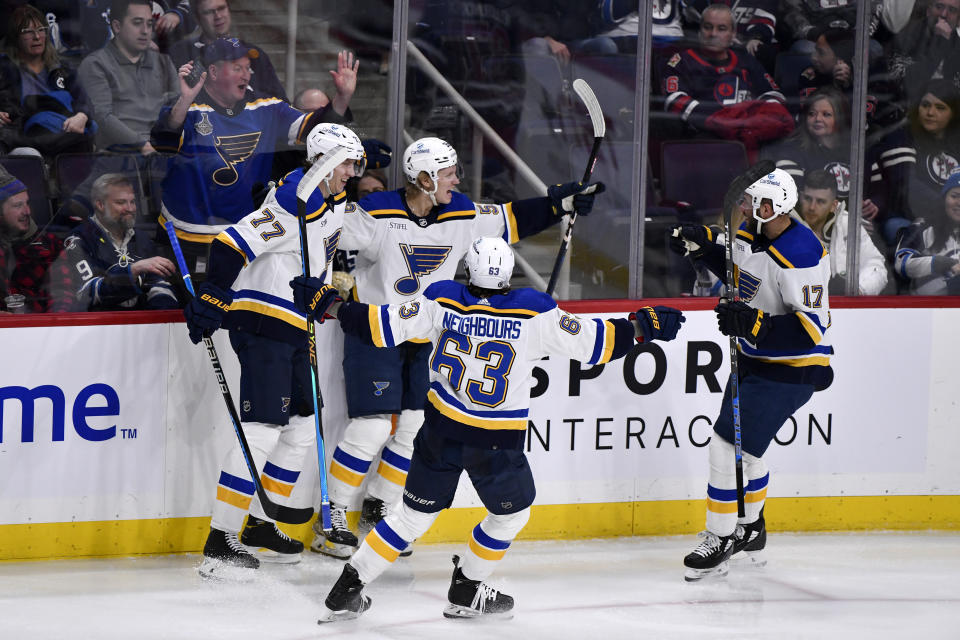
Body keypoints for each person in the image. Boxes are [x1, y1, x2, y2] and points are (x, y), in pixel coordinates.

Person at [309, 236, 686, 621]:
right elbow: (598, 344)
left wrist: (331, 304)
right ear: (508, 274)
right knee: (511, 515)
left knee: (410, 517)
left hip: (439, 432)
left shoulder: (440, 297)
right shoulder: (535, 311)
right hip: (494, 442)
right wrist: (643, 326)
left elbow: (378, 327)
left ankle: (347, 589)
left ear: (469, 270)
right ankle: (467, 589)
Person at [308, 137, 606, 560]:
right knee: (373, 427)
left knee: (412, 427)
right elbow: (321, 229)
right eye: (447, 174)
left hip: (430, 336)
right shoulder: (377, 213)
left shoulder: (463, 213)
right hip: (379, 330)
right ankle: (332, 513)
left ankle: (378, 509)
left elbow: (509, 219)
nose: (456, 180)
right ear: (425, 179)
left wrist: (557, 206)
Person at [182, 122, 367, 578]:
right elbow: (230, 243)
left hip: (294, 327)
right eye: (346, 163)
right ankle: (219, 539)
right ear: (323, 162)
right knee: (263, 430)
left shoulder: (328, 197)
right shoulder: (290, 202)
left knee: (303, 426)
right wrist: (213, 295)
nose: (352, 172)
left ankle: (262, 525)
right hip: (263, 321)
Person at [668, 168, 833, 581]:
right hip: (754, 360)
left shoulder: (802, 252)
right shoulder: (750, 234)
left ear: (773, 208)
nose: (743, 207)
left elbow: (810, 330)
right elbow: (742, 275)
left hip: (793, 368)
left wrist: (754, 325)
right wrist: (703, 249)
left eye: (752, 202)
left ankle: (720, 536)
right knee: (748, 451)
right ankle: (752, 529)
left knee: (724, 447)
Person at [151, 37, 347, 280]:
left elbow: (312, 131)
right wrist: (185, 99)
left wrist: (341, 98)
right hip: (187, 233)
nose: (246, 75)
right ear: (213, 71)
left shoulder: (266, 107)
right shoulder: (189, 106)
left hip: (241, 234)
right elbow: (163, 143)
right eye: (237, 68)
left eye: (247, 68)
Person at [762, 86, 915, 247]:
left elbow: (878, 191)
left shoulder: (858, 152)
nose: (817, 119)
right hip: (811, 229)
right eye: (812, 114)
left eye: (826, 114)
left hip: (857, 231)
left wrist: (874, 205)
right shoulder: (792, 151)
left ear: (841, 118)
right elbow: (792, 200)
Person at [660, 3, 793, 155]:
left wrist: (753, 121)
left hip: (751, 134)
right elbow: (673, 101)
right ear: (699, 31)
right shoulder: (682, 62)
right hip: (707, 139)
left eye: (721, 29)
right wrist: (719, 121)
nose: (713, 34)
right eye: (707, 27)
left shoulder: (747, 61)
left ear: (733, 34)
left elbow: (774, 96)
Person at [51, 173, 179, 311]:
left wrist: (158, 318)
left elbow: (159, 285)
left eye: (132, 201)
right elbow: (86, 293)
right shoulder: (80, 239)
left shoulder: (142, 239)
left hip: (141, 326)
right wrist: (132, 271)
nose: (130, 209)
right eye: (121, 202)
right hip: (101, 327)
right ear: (100, 204)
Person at [76, 0, 179, 155]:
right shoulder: (95, 64)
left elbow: (176, 105)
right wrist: (143, 145)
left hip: (165, 148)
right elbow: (104, 117)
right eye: (137, 23)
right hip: (119, 156)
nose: (145, 31)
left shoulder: (163, 61)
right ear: (117, 27)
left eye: (149, 24)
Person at [0, 4, 96, 157]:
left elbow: (85, 101)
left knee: (84, 142)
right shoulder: (4, 69)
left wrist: (81, 116)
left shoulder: (63, 68)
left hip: (66, 134)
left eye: (41, 30)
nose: (37, 37)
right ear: (15, 37)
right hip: (21, 137)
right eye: (28, 32)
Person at [169, 0, 288, 100]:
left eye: (221, 8)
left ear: (229, 10)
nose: (218, 16)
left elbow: (280, 101)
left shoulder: (254, 54)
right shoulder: (181, 52)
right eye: (209, 12)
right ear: (197, 19)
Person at [795, 169, 889, 295]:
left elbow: (876, 267)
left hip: (843, 308)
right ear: (800, 197)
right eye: (807, 198)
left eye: (820, 201)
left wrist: (858, 290)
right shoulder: (782, 226)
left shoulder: (848, 224)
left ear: (834, 205)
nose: (812, 207)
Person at [0, 169, 65, 313]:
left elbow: (65, 292)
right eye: (18, 205)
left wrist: (56, 322)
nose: (27, 211)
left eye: (27, 203)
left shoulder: (50, 244)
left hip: (46, 330)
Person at [894, 170, 960, 295]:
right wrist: (941, 263)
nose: (959, 202)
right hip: (927, 308)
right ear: (944, 198)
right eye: (954, 196)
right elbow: (901, 262)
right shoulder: (922, 228)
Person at [886, 0, 960, 106]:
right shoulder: (905, 38)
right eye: (939, 7)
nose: (944, 14)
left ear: (958, 19)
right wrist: (939, 45)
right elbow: (902, 85)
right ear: (928, 10)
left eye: (952, 10)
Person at [907, 79, 960, 220]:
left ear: (953, 113)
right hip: (916, 217)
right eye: (925, 105)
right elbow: (908, 184)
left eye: (940, 108)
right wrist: (945, 208)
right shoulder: (905, 138)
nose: (930, 112)